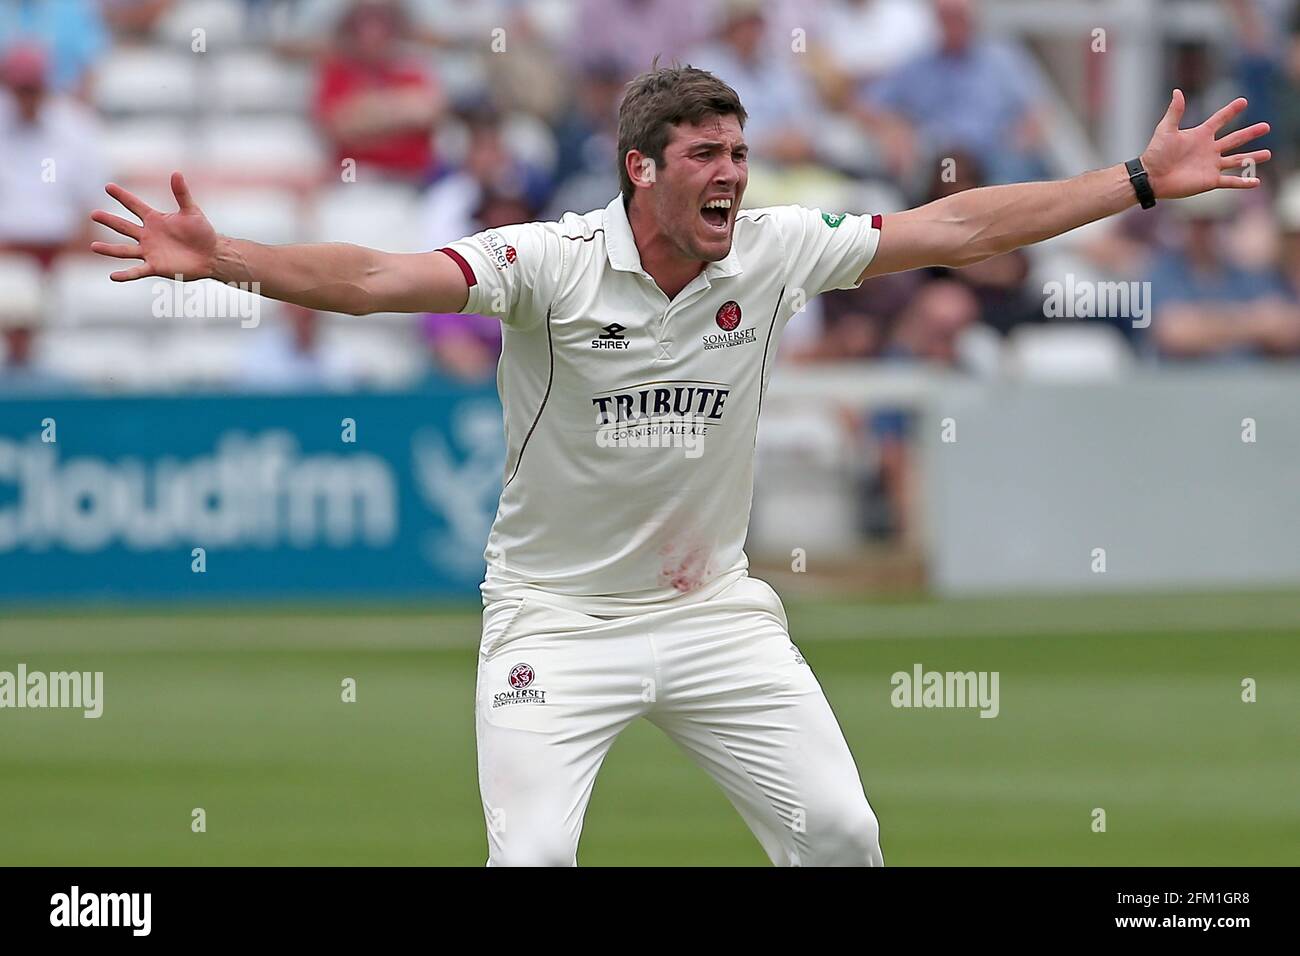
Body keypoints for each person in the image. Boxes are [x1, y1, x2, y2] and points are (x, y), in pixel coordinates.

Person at [89, 64, 1270, 866]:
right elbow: (375, 282)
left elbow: (953, 228)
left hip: (714, 614)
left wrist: (1131, 182)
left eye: (741, 153)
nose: (733, 174)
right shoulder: (546, 260)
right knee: (535, 856)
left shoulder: (770, 250)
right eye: (706, 154)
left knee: (844, 834)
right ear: (640, 170)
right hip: (554, 621)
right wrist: (226, 256)